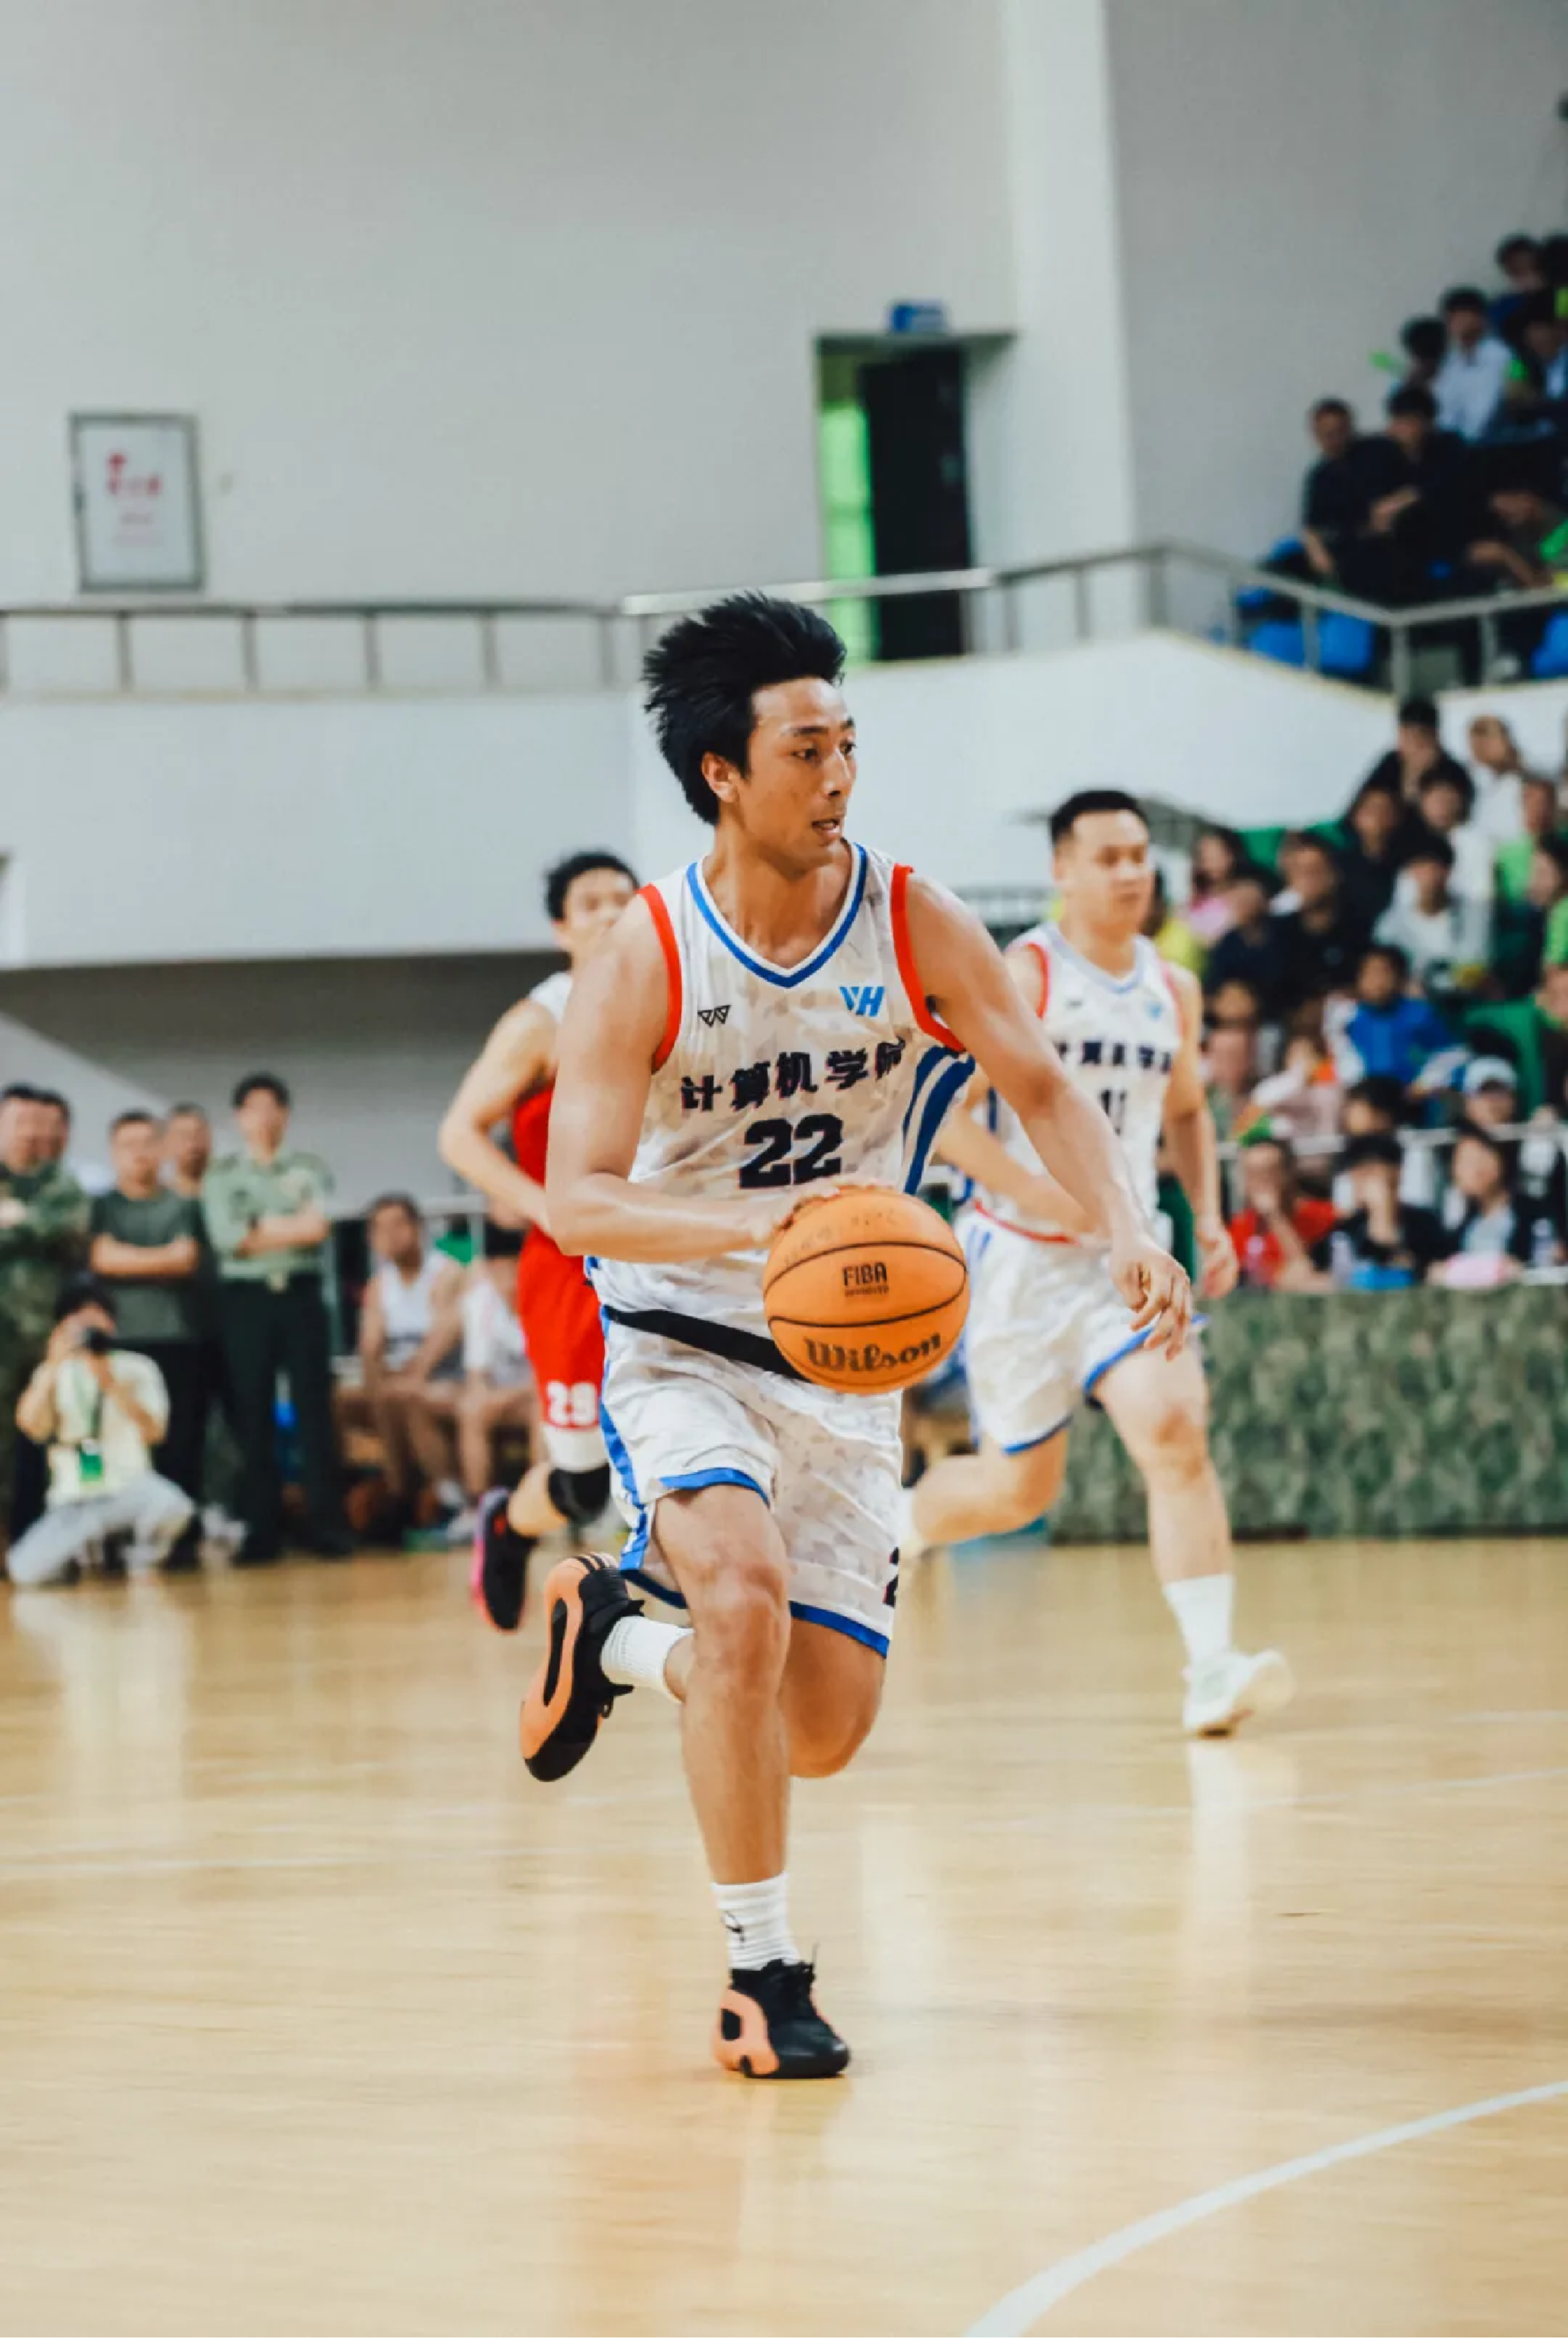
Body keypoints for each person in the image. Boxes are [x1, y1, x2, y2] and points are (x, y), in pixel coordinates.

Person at [524, 599, 1189, 2080]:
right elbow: (577, 1199)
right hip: (681, 1339)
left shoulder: (912, 917)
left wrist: (1128, 1226)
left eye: (846, 744)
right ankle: (761, 1976)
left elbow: (1040, 1084)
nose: (836, 775)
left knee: (817, 1729)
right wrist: (761, 1224)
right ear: (721, 773)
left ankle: (613, 1638)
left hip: (845, 1365)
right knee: (741, 1600)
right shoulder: (644, 953)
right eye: (804, 750)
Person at [905, 787, 1286, 1738]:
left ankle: (1211, 1668)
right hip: (1019, 1259)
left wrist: (1207, 1216)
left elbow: (1187, 1109)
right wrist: (1037, 1192)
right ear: (1061, 870)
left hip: (1127, 1255)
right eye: (1106, 856)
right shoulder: (1024, 973)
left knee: (1174, 1427)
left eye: (1139, 855)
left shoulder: (1172, 988)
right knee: (1015, 1491)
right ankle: (897, 1526)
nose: (1129, 873)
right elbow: (944, 1117)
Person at [438, 848, 640, 1628]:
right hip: (567, 1265)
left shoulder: (673, 1003)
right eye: (591, 902)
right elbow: (458, 1134)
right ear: (562, 927)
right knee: (582, 1482)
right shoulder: (540, 1021)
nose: (611, 910)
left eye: (623, 896)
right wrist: (540, 1205)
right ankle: (506, 1523)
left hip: (655, 1247)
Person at [202, 1074, 350, 1563]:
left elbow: (318, 1228)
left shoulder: (308, 1168)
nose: (264, 1118)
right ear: (238, 1118)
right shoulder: (222, 1175)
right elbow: (228, 1238)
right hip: (247, 1303)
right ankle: (261, 1531)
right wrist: (288, 1226)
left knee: (314, 1412)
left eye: (272, 1108)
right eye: (253, 1109)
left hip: (301, 1298)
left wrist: (259, 1228)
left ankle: (327, 1526)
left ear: (285, 1115)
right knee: (252, 1414)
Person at [9, 1278, 193, 1586]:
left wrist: (110, 1383)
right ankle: (84, 1556)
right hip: (74, 1498)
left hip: (128, 1485)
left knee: (174, 1506)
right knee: (24, 1572)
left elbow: (155, 1433)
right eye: (79, 1322)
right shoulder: (53, 1374)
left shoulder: (137, 1367)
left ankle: (139, 1559)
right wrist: (52, 1365)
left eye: (97, 1321)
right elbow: (29, 1424)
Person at [88, 1111, 206, 1564]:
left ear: (162, 1149)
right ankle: (116, 1542)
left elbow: (185, 1259)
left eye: (147, 1143)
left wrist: (129, 1258)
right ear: (113, 1153)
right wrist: (159, 1258)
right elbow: (102, 1259)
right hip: (119, 1341)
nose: (139, 1153)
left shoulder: (183, 1205)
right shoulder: (102, 1207)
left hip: (177, 1337)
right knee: (118, 1444)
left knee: (180, 1441)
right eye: (128, 1145)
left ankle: (180, 1541)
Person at [0, 1086, 89, 1552]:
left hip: (49, 1333)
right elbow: (45, 1230)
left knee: (62, 1433)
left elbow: (69, 1227)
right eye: (19, 1122)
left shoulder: (62, 1184)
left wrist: (16, 1220)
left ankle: (65, 1535)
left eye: (37, 1123)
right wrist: (32, 1225)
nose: (30, 1132)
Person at [344, 1195, 464, 1533]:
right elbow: (370, 1348)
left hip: (449, 1377)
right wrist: (376, 1384)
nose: (391, 1235)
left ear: (418, 1228)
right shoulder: (379, 1285)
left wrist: (406, 1379)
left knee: (410, 1398)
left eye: (398, 1225)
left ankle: (449, 1498)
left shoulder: (447, 1274)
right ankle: (378, 1494)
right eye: (380, 1229)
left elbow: (440, 1344)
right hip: (399, 1381)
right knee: (344, 1400)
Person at [1340, 388, 1477, 606]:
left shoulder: (1450, 446)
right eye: (1397, 421)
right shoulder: (1382, 454)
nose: (1400, 429)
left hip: (1445, 532)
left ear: (1427, 423)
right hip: (1396, 541)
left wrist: (1397, 504)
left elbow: (1441, 488)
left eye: (1408, 422)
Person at [454, 1226, 536, 1538]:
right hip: (504, 1398)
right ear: (487, 1270)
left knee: (542, 1409)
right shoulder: (479, 1303)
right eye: (498, 1271)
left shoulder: (545, 1297)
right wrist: (487, 1398)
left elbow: (547, 1378)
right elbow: (476, 1376)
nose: (507, 1280)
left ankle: (540, 1505)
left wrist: (506, 1396)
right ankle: (477, 1507)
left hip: (541, 1397)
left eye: (513, 1269)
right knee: (471, 1408)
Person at [1317, 1133, 1449, 1288]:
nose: (1360, 1181)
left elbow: (1427, 1271)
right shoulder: (1346, 1230)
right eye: (1356, 1174)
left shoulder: (1424, 1223)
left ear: (1397, 1172)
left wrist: (1383, 1214)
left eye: (1369, 1172)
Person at [1375, 834, 1490, 998]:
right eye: (1421, 868)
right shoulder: (1390, 925)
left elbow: (1476, 965)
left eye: (1436, 868)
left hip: (1469, 1001)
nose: (1429, 876)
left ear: (1449, 871)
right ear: (1411, 871)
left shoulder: (1475, 914)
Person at [1341, 943, 1454, 1088]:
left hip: (1413, 1093)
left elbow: (1449, 1054)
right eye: (1368, 974)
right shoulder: (1350, 1018)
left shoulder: (1421, 1015)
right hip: (1365, 1094)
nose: (1376, 982)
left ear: (1401, 978)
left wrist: (1425, 1083)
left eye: (1384, 973)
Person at [1275, 836, 1365, 1011]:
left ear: (1335, 875)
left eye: (1316, 871)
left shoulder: (1360, 925)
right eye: (1302, 873)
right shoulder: (1278, 932)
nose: (1310, 880)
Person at [1204, 865, 1288, 1020]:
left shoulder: (1286, 935)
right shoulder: (1227, 943)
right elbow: (1213, 989)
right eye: (1237, 894)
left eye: (1249, 896)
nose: (1243, 901)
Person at [1297, 398, 1366, 582]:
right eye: (1326, 434)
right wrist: (1317, 552)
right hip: (1331, 549)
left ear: (1349, 429)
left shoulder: (1372, 458)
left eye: (1339, 432)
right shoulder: (1319, 476)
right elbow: (1311, 526)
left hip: (1365, 547)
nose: (1333, 440)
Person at [1432, 288, 1512, 443]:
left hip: (1493, 443)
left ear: (1481, 318)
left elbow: (1493, 407)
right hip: (1453, 445)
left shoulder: (1504, 356)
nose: (1453, 323)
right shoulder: (1450, 363)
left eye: (1459, 316)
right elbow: (1443, 410)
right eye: (1449, 318)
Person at [1337, 781, 1409, 932]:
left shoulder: (1408, 864)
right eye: (1372, 810)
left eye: (1386, 811)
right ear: (1356, 817)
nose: (1378, 817)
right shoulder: (1337, 864)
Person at [1467, 713, 1538, 848]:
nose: (1479, 749)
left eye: (1485, 743)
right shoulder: (1473, 781)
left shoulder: (1523, 780)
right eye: (1475, 744)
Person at [1184, 826, 1245, 946]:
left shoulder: (1245, 899)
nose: (1208, 862)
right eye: (1204, 857)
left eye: (1215, 855)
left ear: (1231, 856)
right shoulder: (1193, 902)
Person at [162, 1104, 213, 1200]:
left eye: (198, 1134)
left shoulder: (230, 1192)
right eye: (183, 1136)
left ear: (210, 1138)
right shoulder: (156, 1198)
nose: (192, 1144)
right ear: (167, 1144)